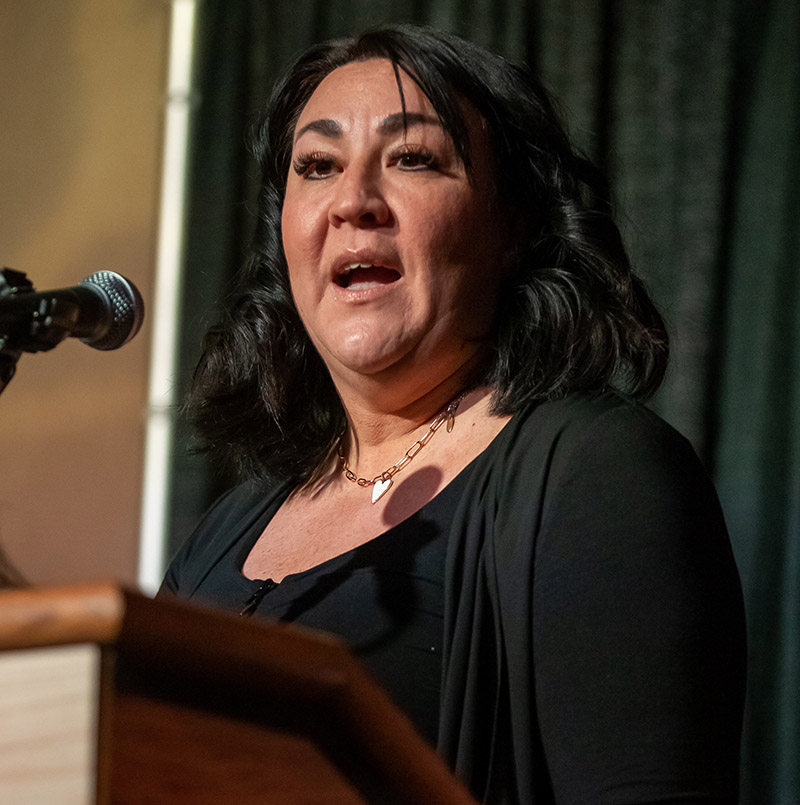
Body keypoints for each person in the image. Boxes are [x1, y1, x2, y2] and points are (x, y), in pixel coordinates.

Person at [160, 25, 746, 803]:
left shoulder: (597, 478)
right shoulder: (231, 522)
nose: (353, 203)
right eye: (317, 166)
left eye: (412, 159)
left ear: (514, 227)